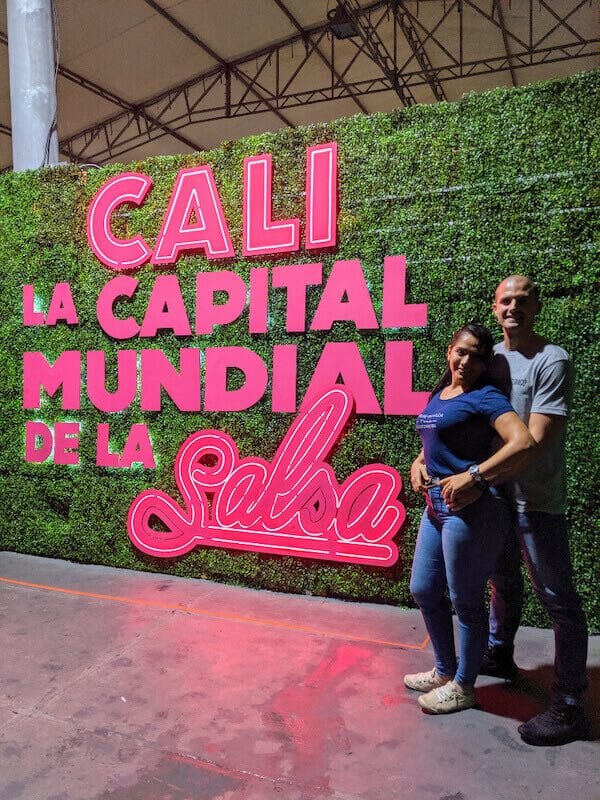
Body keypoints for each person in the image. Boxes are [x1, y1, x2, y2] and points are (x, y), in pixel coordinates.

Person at [478, 275, 589, 746]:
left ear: (537, 305)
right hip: (498, 498)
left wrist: (477, 476)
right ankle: (500, 653)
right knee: (502, 582)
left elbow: (538, 440)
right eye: (506, 300)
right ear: (494, 306)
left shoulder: (552, 359)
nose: (513, 307)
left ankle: (568, 704)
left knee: (559, 601)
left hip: (535, 501)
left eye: (522, 300)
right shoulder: (491, 358)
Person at [405, 323, 534, 715]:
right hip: (436, 505)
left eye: (477, 356)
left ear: (485, 363)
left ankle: (464, 686)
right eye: (462, 351)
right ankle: (445, 670)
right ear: (450, 351)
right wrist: (418, 461)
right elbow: (435, 442)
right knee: (424, 589)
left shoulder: (486, 397)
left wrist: (475, 475)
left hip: (472, 508)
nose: (467, 361)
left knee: (466, 601)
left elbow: (523, 441)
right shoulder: (440, 394)